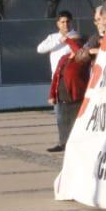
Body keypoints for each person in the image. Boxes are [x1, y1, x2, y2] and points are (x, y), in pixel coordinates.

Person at [37, 12, 82, 151]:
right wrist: (60, 41)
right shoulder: (53, 37)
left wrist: (68, 40)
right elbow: (40, 49)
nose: (65, 24)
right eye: (62, 22)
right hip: (56, 80)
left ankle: (76, 142)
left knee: (75, 113)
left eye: (67, 21)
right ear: (58, 23)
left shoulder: (76, 36)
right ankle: (63, 142)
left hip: (73, 80)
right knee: (60, 114)